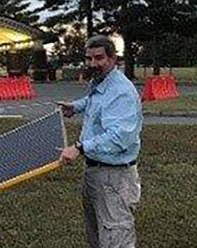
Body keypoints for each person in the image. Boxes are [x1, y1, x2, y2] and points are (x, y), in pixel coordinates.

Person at [58, 35, 143, 248]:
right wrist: (76, 106)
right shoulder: (102, 82)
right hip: (95, 172)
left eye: (99, 58)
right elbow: (97, 100)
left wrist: (80, 147)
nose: (93, 64)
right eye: (89, 58)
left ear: (113, 59)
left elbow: (119, 138)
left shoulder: (122, 91)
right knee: (96, 236)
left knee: (116, 239)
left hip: (114, 178)